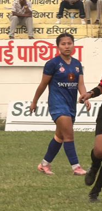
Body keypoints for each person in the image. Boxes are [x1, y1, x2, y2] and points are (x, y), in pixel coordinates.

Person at [31, 33, 88, 176]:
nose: (67, 46)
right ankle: (76, 167)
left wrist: (85, 97)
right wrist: (34, 101)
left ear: (73, 45)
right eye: (63, 44)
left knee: (60, 137)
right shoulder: (52, 64)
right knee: (69, 135)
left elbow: (80, 84)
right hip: (57, 104)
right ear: (58, 47)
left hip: (71, 105)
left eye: (69, 43)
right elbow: (43, 84)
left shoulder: (77, 64)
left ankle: (44, 164)